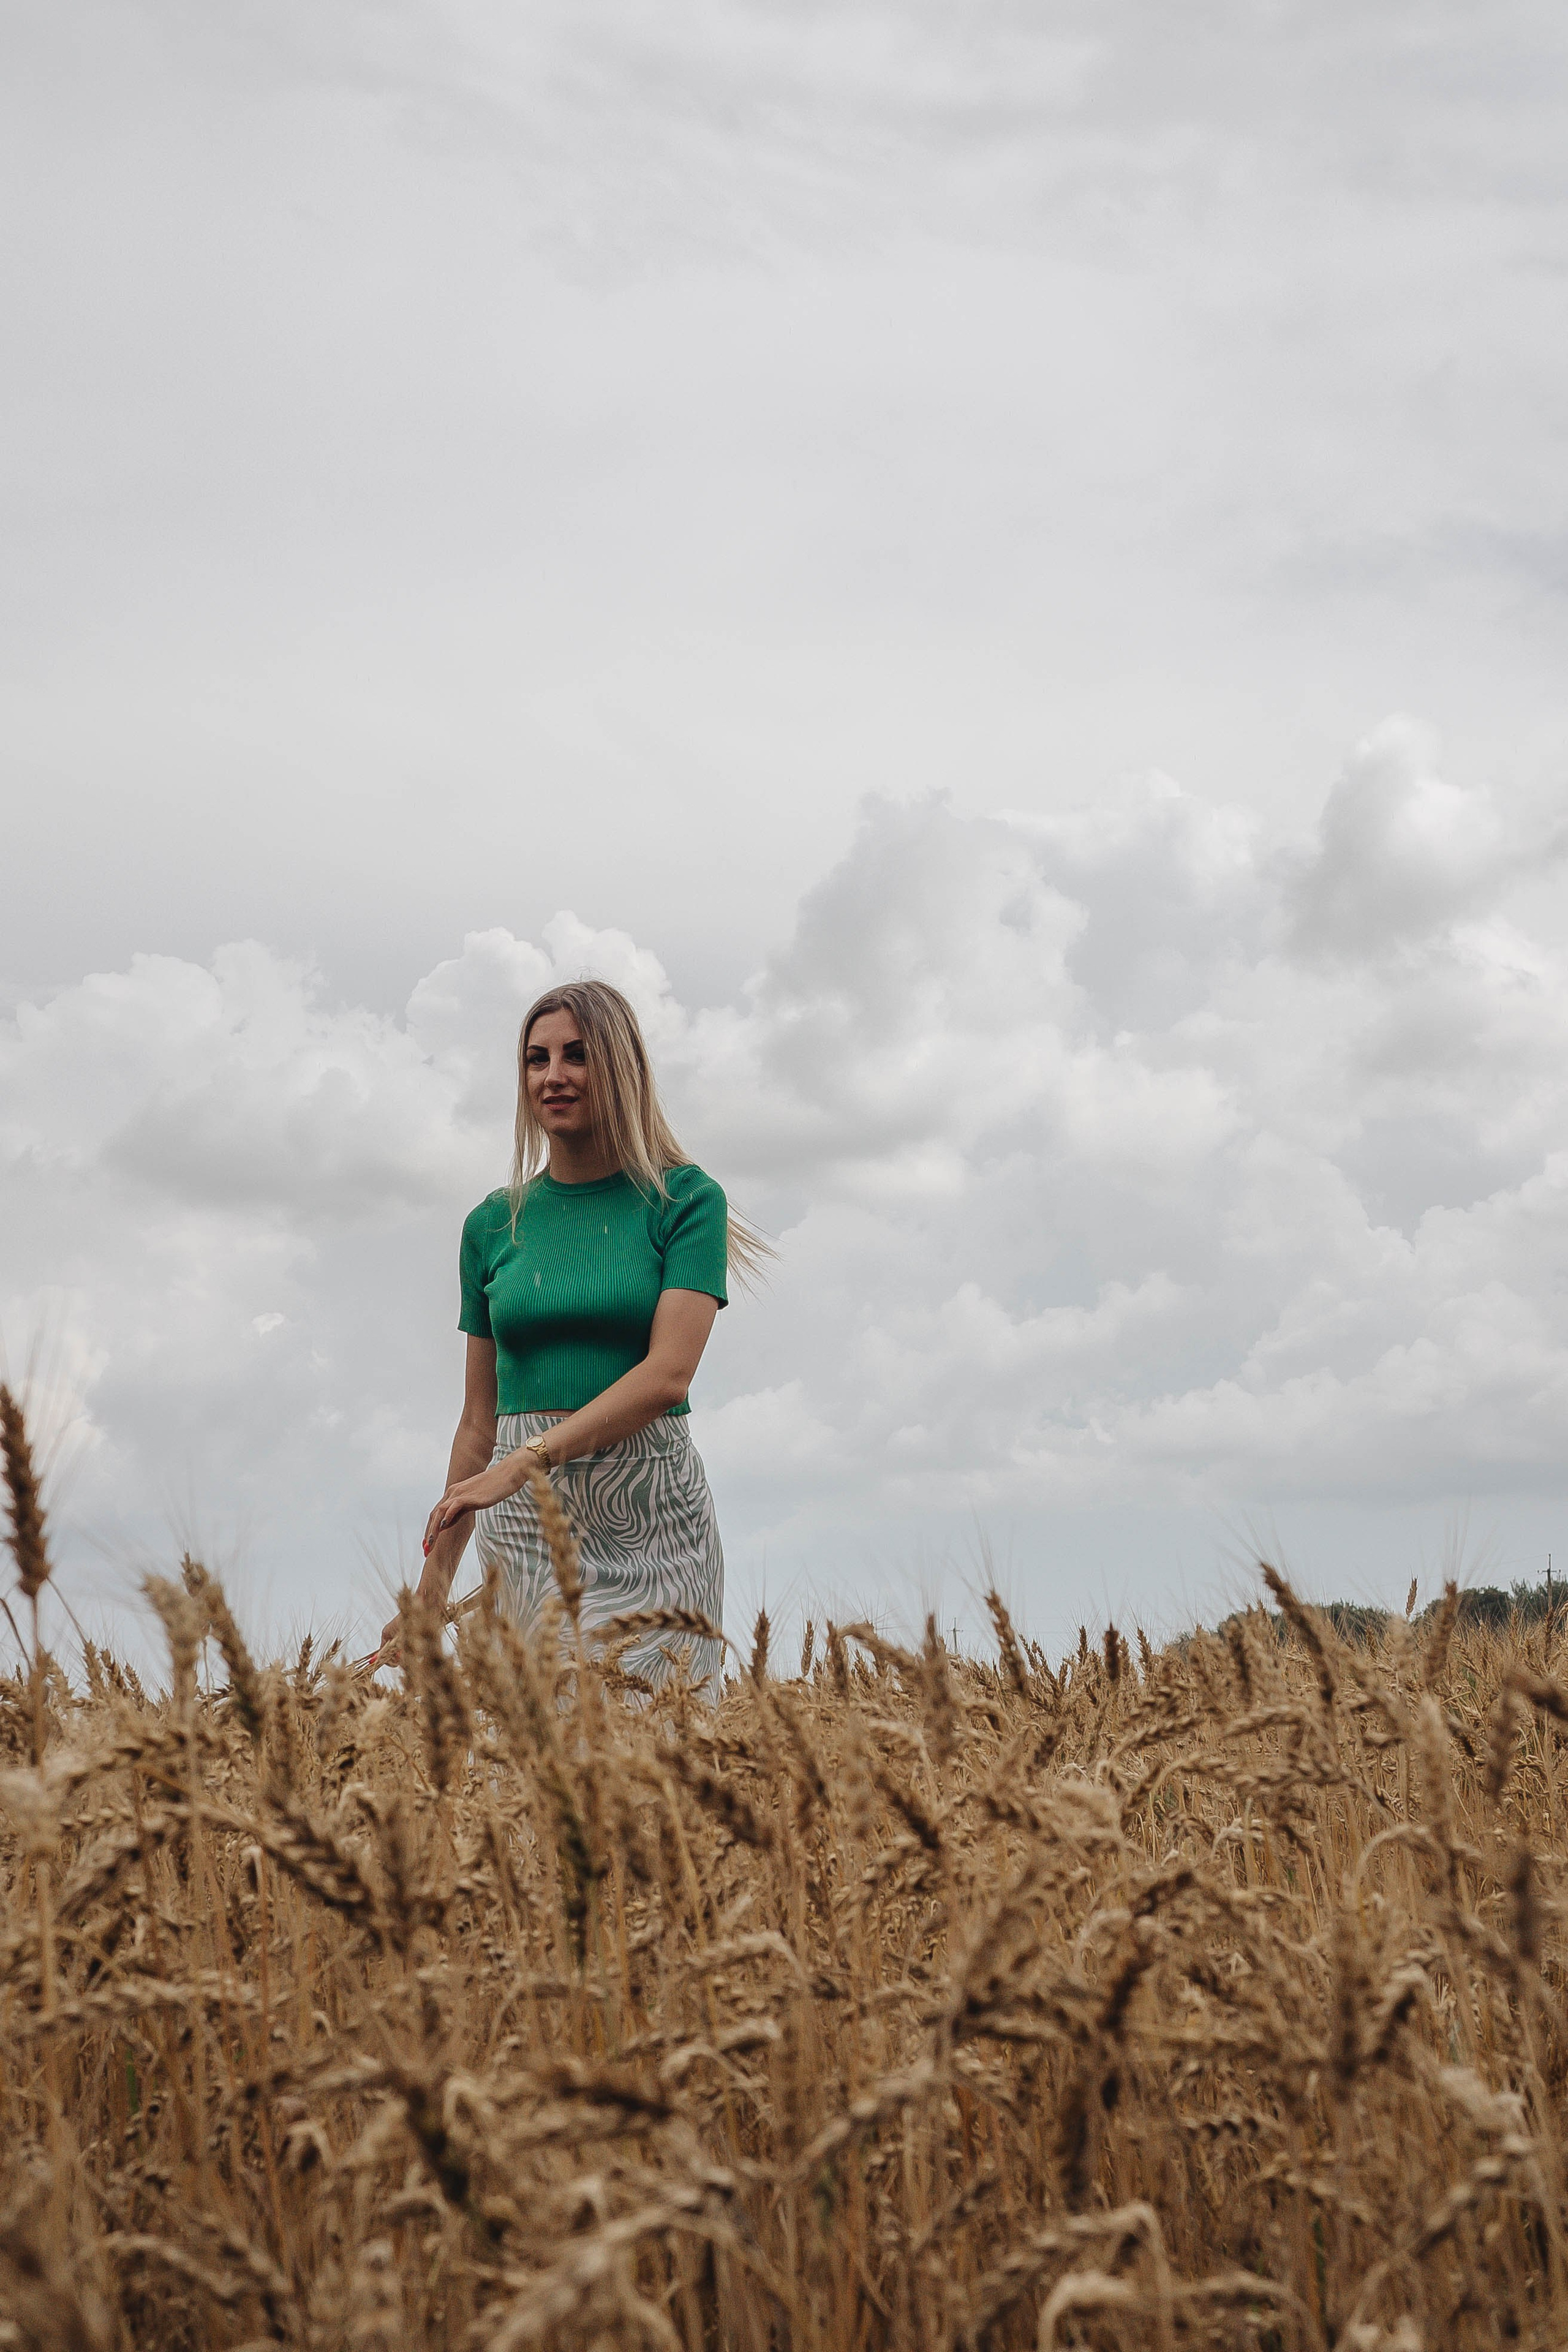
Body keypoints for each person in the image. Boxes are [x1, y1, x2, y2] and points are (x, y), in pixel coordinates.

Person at [379, 978, 765, 1696]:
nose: (552, 1076)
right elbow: (476, 1422)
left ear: (620, 1068)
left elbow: (666, 1378)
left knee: (658, 1768)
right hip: (525, 1529)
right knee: (529, 1777)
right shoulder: (493, 1224)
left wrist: (518, 1462)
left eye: (576, 1056)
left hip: (652, 1522)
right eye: (535, 1059)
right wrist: (432, 1588)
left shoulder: (685, 1202)